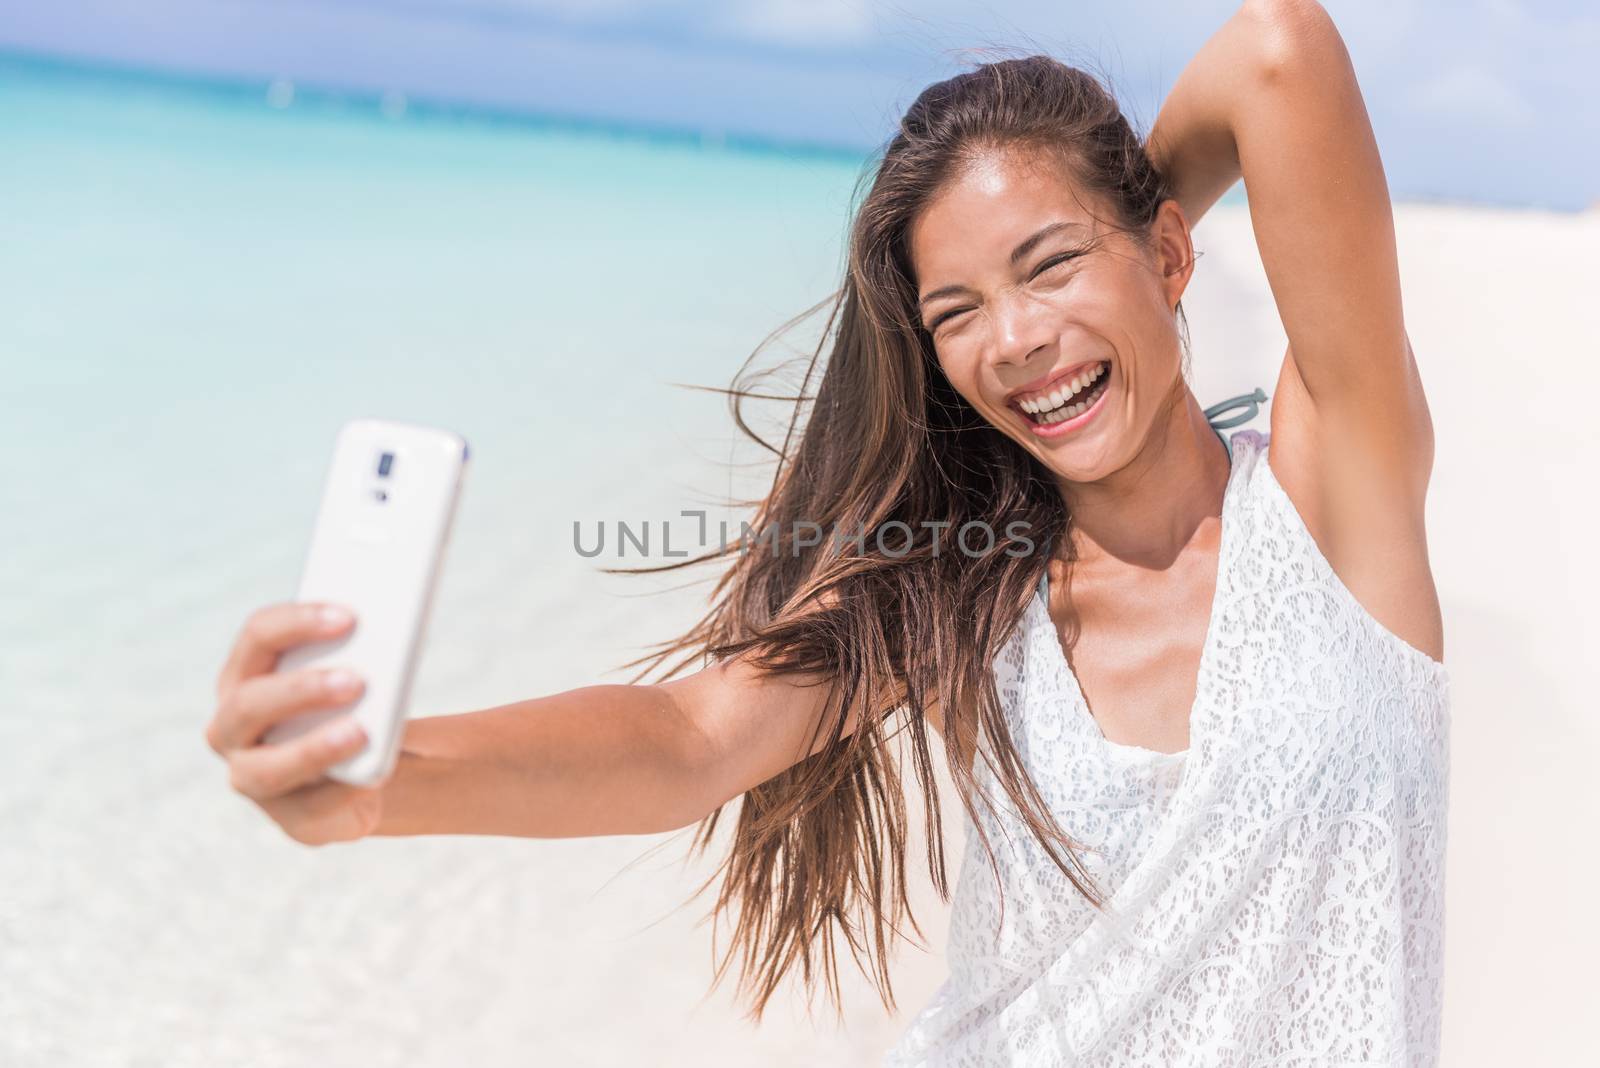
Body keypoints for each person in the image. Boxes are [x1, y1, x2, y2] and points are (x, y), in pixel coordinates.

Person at [204, 1, 1450, 1063]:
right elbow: (689, 738)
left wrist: (1119, 216)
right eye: (957, 310)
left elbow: (1278, 50)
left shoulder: (1336, 499)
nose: (1011, 340)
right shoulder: (967, 593)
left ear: (1175, 252)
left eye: (1047, 265)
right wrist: (379, 785)